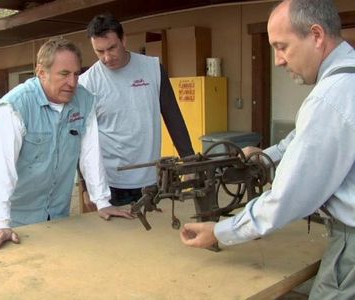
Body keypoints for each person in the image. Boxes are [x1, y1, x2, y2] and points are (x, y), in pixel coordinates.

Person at [180, 0, 355, 298]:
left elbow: (289, 197)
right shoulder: (345, 83)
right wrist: (263, 158)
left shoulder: (330, 97)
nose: (278, 60)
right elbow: (300, 140)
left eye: (282, 46)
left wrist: (221, 231)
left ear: (316, 35)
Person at [0, 37, 133, 251]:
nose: (72, 82)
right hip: (0, 212)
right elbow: (0, 167)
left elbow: (90, 154)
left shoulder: (84, 101)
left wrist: (102, 201)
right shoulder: (15, 106)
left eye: (76, 74)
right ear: (41, 72)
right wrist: (0, 222)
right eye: (64, 74)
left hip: (51, 211)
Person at [79, 14, 194, 208]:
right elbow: (81, 138)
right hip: (109, 183)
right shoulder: (87, 82)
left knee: (154, 235)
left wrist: (189, 160)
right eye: (99, 52)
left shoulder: (153, 69)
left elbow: (173, 116)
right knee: (115, 238)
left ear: (124, 40)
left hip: (151, 179)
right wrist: (85, 186)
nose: (107, 57)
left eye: (112, 48)